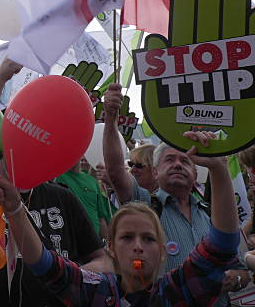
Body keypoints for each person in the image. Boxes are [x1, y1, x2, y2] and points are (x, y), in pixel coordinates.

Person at [0, 131, 241, 306]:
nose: (138, 245)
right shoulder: (97, 291)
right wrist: (14, 208)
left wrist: (218, 169)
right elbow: (45, 264)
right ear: (110, 248)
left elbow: (222, 247)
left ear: (163, 251)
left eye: (149, 239)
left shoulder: (175, 292)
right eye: (127, 237)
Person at [0, 59, 109, 306]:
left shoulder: (63, 197)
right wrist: (2, 75)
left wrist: (72, 276)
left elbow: (102, 258)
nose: (21, 142)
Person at [102, 83, 249, 296]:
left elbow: (241, 269)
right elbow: (115, 170)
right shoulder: (145, 207)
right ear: (155, 172)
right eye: (169, 160)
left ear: (196, 173)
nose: (178, 164)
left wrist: (234, 280)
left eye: (185, 161)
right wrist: (111, 117)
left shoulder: (212, 213)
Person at [56, 156, 112, 239]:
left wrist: (108, 243)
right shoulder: (57, 177)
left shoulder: (92, 181)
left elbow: (100, 218)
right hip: (70, 241)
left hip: (93, 242)